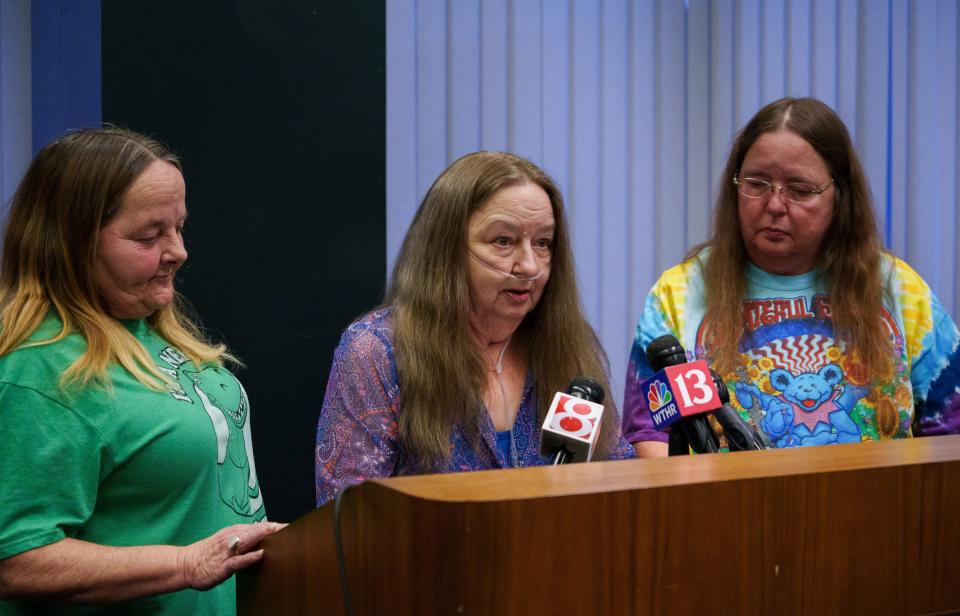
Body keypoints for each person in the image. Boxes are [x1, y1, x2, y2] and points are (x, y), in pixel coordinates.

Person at [0, 128, 283, 614]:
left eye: (178, 228)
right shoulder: (39, 373)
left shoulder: (150, 328)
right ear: (71, 243)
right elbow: (15, 558)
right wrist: (188, 564)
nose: (178, 251)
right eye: (149, 236)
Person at [623, 97, 960, 456]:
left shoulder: (898, 288)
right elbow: (649, 437)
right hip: (724, 510)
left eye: (800, 190)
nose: (774, 205)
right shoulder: (680, 294)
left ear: (840, 197)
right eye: (756, 183)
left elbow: (951, 425)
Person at [315, 151, 634, 505]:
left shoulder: (569, 345)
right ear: (446, 248)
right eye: (503, 241)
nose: (529, 266)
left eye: (543, 243)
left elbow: (617, 476)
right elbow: (346, 519)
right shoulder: (378, 350)